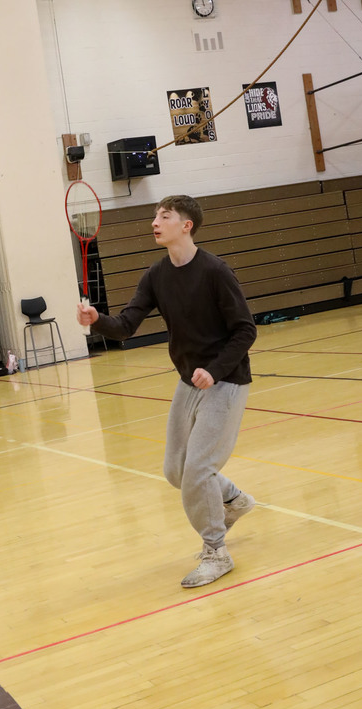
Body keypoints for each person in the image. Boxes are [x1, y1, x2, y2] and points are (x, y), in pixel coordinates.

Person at [77, 195, 257, 588]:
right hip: (188, 380)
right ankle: (233, 499)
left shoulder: (215, 272)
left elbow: (246, 330)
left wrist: (214, 370)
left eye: (164, 216)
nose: (155, 222)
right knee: (176, 470)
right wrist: (97, 319)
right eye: (155, 216)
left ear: (186, 225)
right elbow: (126, 325)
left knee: (197, 469)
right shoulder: (157, 275)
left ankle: (216, 553)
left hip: (225, 380)